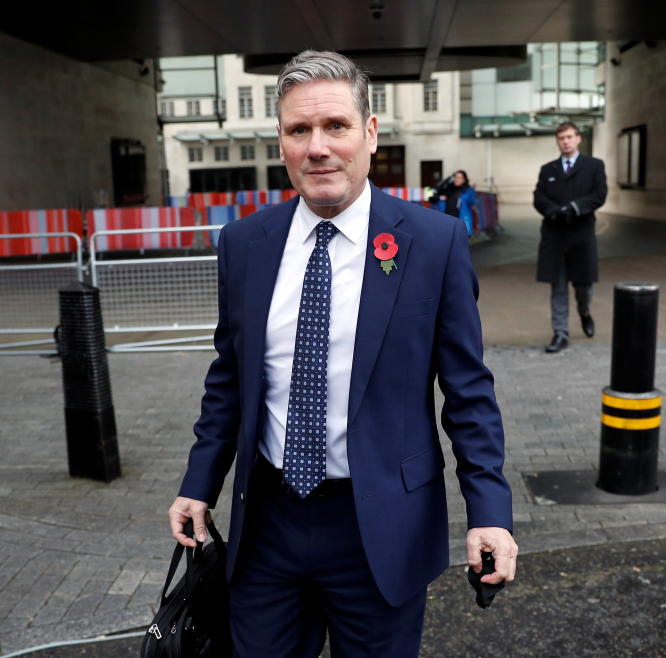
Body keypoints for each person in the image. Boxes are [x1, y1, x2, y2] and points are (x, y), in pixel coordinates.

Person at [167, 50, 517, 657]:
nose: (318, 147)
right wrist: (200, 482)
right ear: (281, 142)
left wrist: (489, 510)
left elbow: (468, 391)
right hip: (268, 527)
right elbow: (229, 376)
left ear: (370, 133)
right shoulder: (247, 244)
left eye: (335, 126)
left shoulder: (433, 243)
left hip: (381, 528)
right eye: (299, 130)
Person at [534, 121, 607, 353]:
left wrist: (575, 207)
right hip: (555, 236)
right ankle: (560, 333)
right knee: (558, 287)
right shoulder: (548, 170)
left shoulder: (594, 166)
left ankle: (584, 312)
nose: (565, 141)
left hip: (582, 236)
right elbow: (539, 197)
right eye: (561, 138)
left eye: (569, 137)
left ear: (578, 139)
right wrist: (555, 212)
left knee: (583, 286)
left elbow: (599, 195)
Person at [433, 170, 478, 237]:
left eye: (460, 177)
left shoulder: (468, 191)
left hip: (460, 223)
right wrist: (446, 181)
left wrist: (468, 195)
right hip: (447, 222)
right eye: (456, 177)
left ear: (464, 180)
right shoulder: (447, 190)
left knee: (459, 245)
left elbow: (473, 202)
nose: (457, 179)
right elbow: (434, 193)